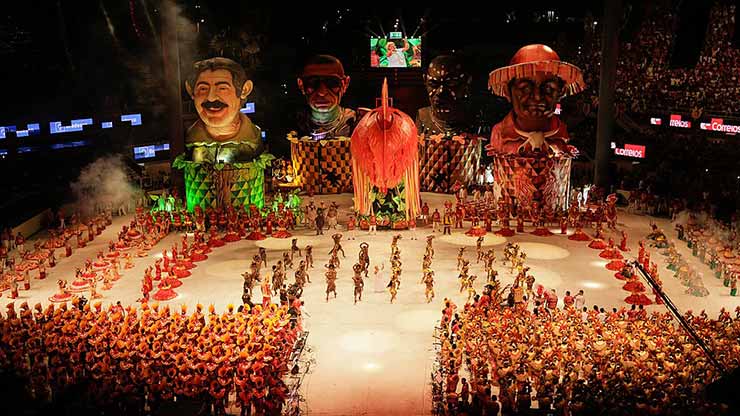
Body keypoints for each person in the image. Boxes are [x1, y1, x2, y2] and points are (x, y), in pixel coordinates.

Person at [184, 57, 263, 163]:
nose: (211, 98)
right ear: (191, 91)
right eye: (203, 89)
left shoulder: (254, 140)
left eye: (222, 88)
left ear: (244, 90)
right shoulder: (187, 140)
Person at [295, 55, 356, 139]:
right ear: (301, 85)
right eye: (313, 83)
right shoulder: (293, 123)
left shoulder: (358, 122)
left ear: (345, 84)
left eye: (332, 82)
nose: (322, 92)